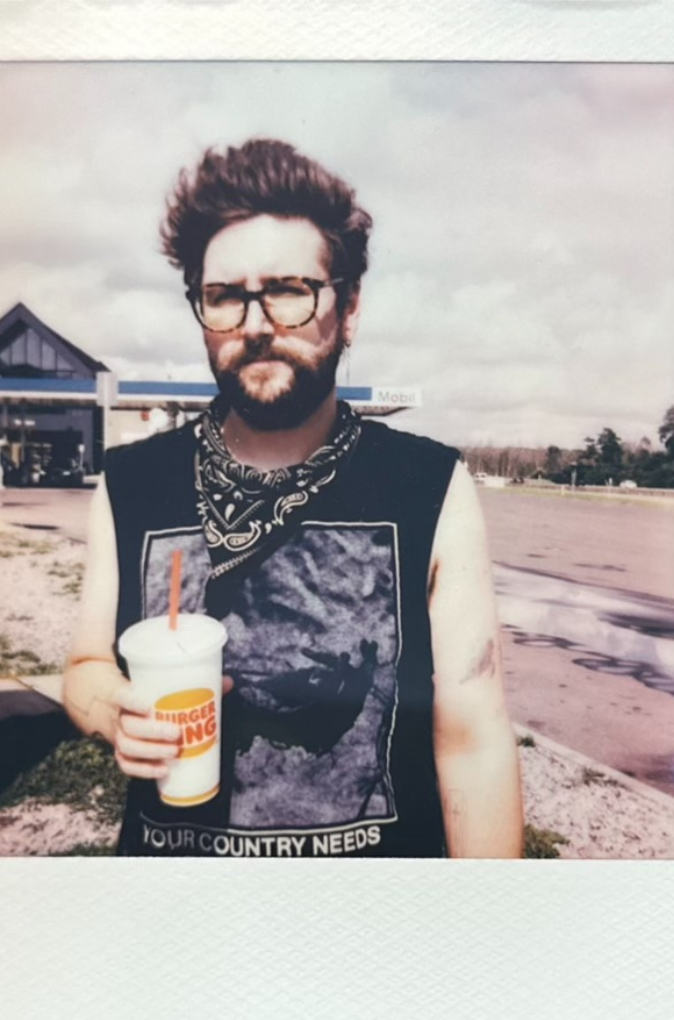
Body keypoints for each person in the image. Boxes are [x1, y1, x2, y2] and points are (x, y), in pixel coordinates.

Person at [61, 138, 523, 857]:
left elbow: (474, 742)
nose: (254, 324)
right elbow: (87, 666)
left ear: (351, 307)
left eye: (288, 290)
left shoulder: (430, 488)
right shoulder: (131, 485)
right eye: (224, 297)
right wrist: (110, 711)